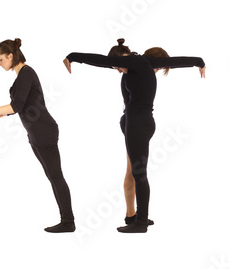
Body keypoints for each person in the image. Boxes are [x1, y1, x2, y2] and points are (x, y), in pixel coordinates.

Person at [63, 39, 205, 233]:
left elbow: (103, 61)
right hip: (133, 124)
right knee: (132, 171)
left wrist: (73, 57)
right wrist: (198, 61)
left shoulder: (138, 62)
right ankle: (132, 217)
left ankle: (141, 222)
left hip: (139, 125)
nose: (116, 69)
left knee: (139, 173)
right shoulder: (134, 69)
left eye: (116, 65)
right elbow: (173, 63)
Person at [0, 38, 76, 233]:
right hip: (36, 134)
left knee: (56, 177)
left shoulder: (26, 73)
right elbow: (18, 106)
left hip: (44, 131)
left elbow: (16, 106)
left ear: (10, 56)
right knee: (53, 176)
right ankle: (67, 221)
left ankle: (68, 221)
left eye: (0, 60)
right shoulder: (21, 76)